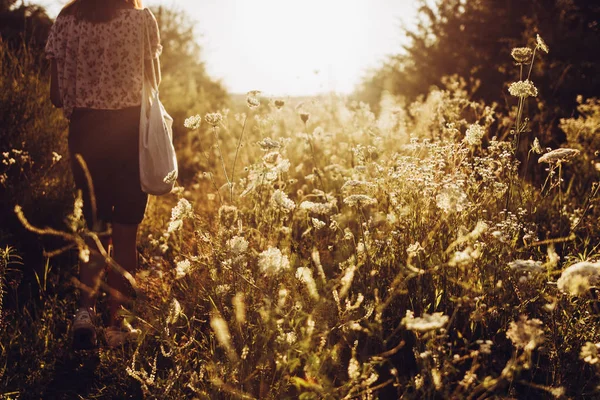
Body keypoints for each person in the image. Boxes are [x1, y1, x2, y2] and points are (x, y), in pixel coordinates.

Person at [45, 0, 162, 349]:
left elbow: (55, 95)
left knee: (94, 229)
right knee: (126, 233)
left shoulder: (66, 20)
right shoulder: (141, 20)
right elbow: (153, 84)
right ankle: (119, 324)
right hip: (129, 134)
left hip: (85, 134)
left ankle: (85, 313)